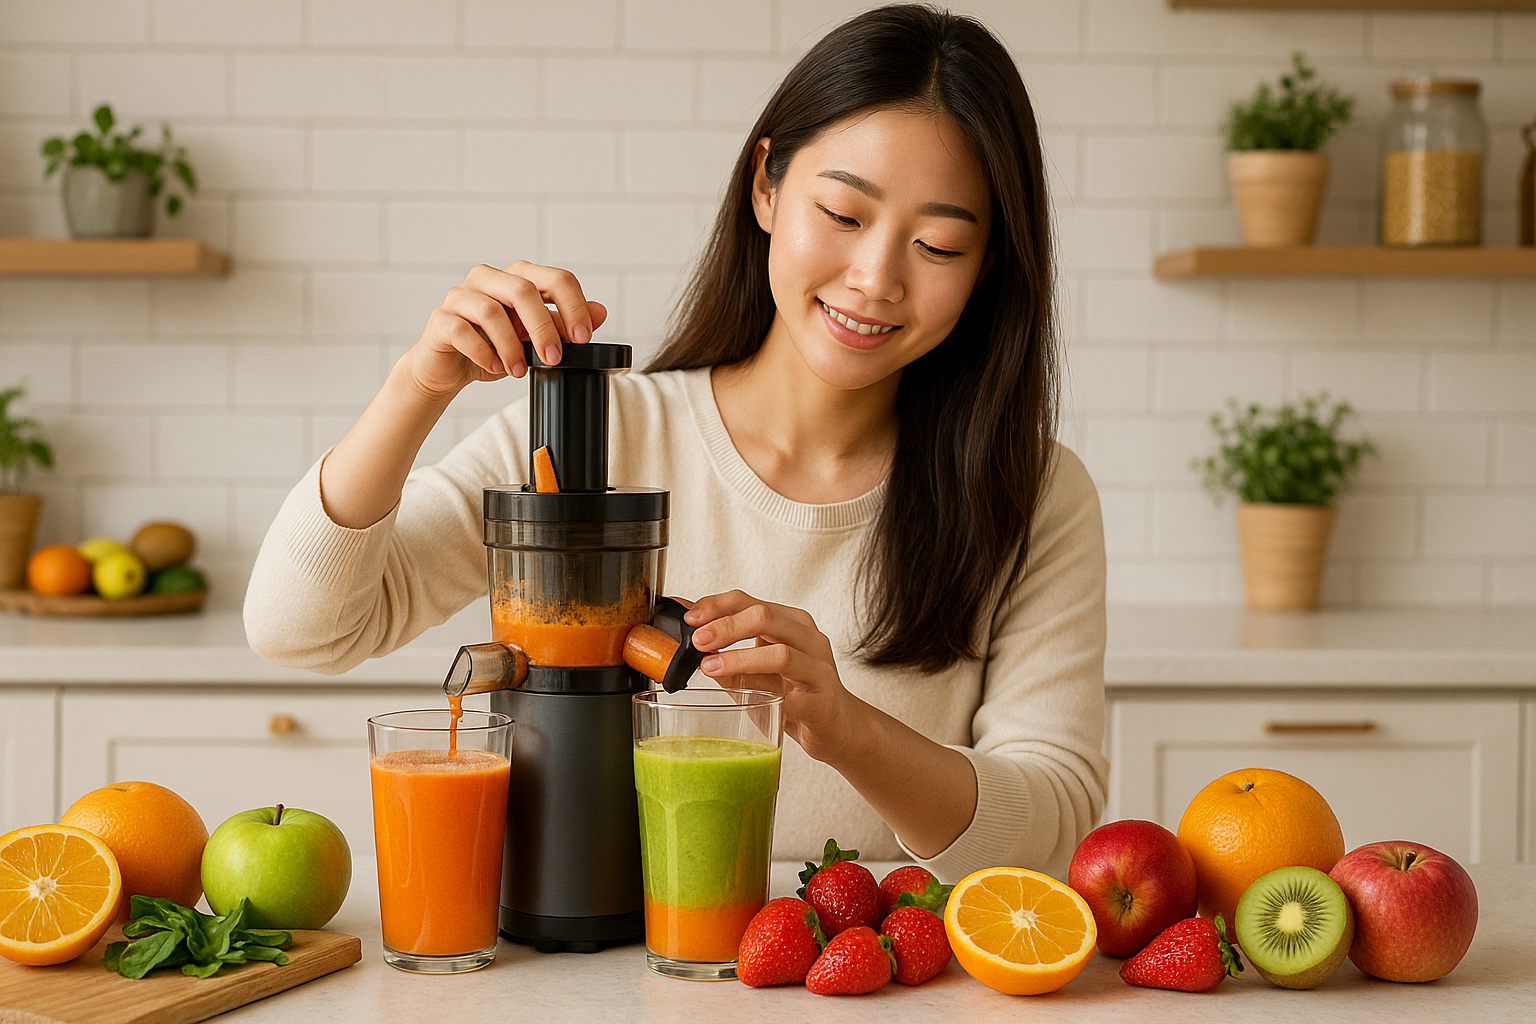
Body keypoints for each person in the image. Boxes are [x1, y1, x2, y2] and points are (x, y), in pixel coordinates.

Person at [245, 4, 1107, 882]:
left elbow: (1053, 825)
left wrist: (846, 728)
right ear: (766, 185)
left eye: (937, 243)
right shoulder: (599, 439)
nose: (875, 279)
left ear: (989, 262)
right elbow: (301, 629)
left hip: (873, 974)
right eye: (844, 214)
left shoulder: (1032, 492)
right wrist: (416, 387)